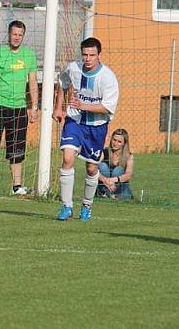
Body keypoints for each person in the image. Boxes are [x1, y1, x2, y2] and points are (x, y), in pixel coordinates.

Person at [53, 37, 119, 221]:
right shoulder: (73, 68)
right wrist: (58, 107)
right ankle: (66, 206)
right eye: (85, 55)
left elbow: (107, 107)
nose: (88, 59)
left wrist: (83, 105)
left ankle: (87, 206)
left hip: (97, 127)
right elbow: (62, 83)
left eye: (92, 55)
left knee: (91, 168)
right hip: (74, 121)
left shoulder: (108, 78)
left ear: (99, 54)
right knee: (67, 158)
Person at [0, 20, 38, 196]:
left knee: (17, 148)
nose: (17, 37)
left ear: (23, 36)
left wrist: (34, 107)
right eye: (14, 34)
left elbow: (33, 82)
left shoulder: (29, 55)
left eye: (20, 35)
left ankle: (17, 186)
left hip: (19, 108)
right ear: (9, 34)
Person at [96, 128, 134, 200]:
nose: (115, 143)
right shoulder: (104, 152)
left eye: (119, 142)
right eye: (114, 140)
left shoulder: (129, 156)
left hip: (119, 186)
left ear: (124, 143)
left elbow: (128, 175)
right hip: (104, 185)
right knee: (102, 166)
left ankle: (114, 195)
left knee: (118, 170)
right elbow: (93, 169)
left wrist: (113, 180)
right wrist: (105, 180)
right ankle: (105, 193)